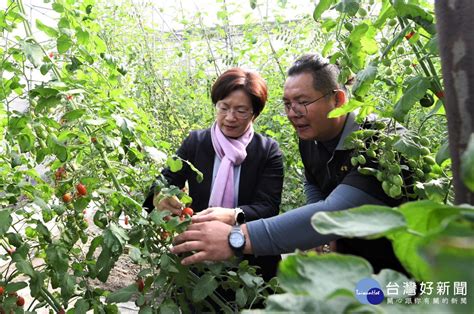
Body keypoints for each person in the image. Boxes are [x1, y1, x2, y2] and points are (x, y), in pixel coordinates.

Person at [170, 54, 407, 276]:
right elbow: (312, 180)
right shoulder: (311, 139)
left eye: (302, 102)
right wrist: (319, 234)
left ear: (338, 99)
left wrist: (236, 238)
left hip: (400, 268)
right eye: (287, 104)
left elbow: (334, 211)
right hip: (354, 267)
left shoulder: (380, 143)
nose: (293, 113)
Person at [143, 67, 284, 281]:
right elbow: (165, 181)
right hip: (197, 254)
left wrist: (234, 215)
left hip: (250, 263)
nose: (230, 117)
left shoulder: (267, 151)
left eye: (241, 111)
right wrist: (160, 196)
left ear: (254, 114)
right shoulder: (196, 143)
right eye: (223, 107)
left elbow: (268, 207)